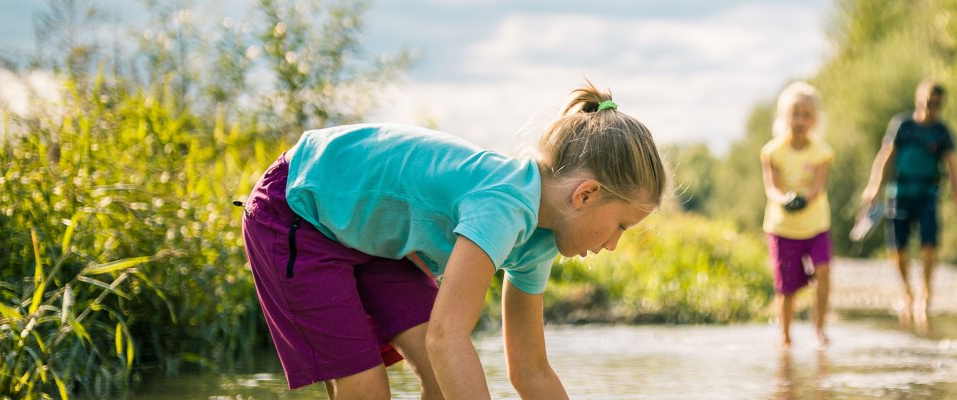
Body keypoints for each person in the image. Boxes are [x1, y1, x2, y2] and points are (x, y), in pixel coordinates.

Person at [239, 81, 665, 399]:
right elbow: (448, 336)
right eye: (621, 226)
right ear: (585, 194)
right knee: (367, 388)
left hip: (370, 237)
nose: (613, 245)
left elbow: (531, 370)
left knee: (444, 381)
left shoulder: (540, 239)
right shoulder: (504, 203)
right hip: (299, 205)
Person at [859, 80, 957, 323]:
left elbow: (953, 165)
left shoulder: (942, 131)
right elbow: (886, 156)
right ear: (918, 99)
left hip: (928, 192)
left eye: (937, 104)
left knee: (929, 243)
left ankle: (926, 292)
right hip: (899, 192)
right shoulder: (903, 125)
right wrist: (873, 187)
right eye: (928, 102)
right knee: (898, 247)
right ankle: (907, 291)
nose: (932, 107)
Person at [760, 82, 834, 348]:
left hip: (816, 225)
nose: (800, 120)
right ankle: (786, 336)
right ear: (784, 117)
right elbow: (772, 187)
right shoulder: (772, 151)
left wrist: (805, 199)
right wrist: (786, 200)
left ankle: (820, 328)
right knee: (786, 287)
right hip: (783, 228)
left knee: (824, 272)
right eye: (795, 114)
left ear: (815, 119)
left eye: (806, 114)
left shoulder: (822, 152)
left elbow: (817, 186)